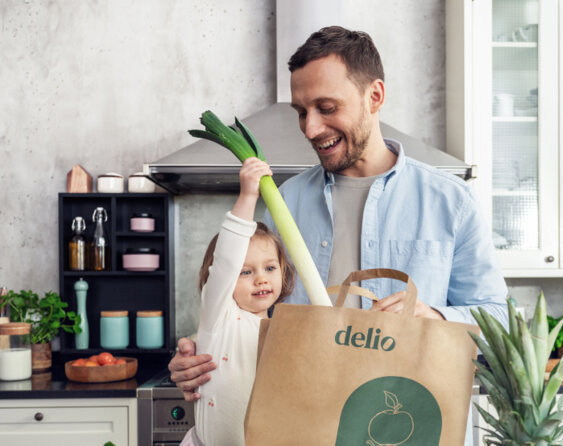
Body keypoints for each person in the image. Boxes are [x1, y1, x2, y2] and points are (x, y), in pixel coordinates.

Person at [170, 26, 508, 436]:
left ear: (375, 96)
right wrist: (201, 348)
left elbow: (501, 322)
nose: (311, 129)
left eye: (327, 107)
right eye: (301, 112)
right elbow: (254, 316)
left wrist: (433, 315)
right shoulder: (284, 203)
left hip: (408, 426)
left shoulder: (451, 201)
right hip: (304, 428)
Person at [179, 158, 295, 446]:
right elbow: (227, 259)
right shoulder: (220, 317)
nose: (261, 279)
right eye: (246, 271)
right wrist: (248, 196)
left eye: (270, 268)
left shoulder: (285, 329)